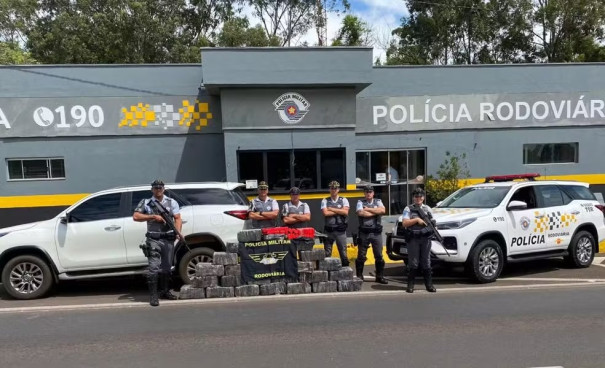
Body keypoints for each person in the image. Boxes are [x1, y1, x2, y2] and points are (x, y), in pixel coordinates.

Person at [133, 179, 182, 306]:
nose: (158, 190)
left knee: (166, 267)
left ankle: (165, 291)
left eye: (160, 188)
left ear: (164, 189)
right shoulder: (146, 203)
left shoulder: (172, 202)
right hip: (153, 239)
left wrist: (178, 232)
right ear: (152, 190)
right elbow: (136, 216)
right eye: (156, 188)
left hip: (168, 238)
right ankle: (154, 296)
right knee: (153, 267)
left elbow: (177, 218)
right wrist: (153, 217)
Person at [401, 187, 437, 293]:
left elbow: (433, 224)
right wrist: (416, 220)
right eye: (416, 196)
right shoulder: (408, 209)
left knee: (426, 262)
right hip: (413, 239)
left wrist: (426, 230)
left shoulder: (428, 209)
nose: (418, 198)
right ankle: (410, 285)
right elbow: (405, 223)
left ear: (423, 198)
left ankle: (429, 285)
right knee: (413, 263)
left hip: (425, 239)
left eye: (420, 196)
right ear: (413, 198)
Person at [355, 185, 388, 284]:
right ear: (364, 193)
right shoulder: (360, 202)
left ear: (373, 193)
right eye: (367, 192)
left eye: (370, 192)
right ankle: (359, 276)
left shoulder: (378, 201)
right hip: (364, 233)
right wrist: (375, 212)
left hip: (376, 233)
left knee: (379, 255)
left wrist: (368, 209)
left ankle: (379, 276)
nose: (368, 193)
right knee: (361, 256)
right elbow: (361, 213)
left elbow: (383, 210)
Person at [321, 181, 350, 267]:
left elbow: (345, 212)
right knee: (327, 252)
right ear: (329, 189)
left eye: (335, 188)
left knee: (343, 252)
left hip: (340, 231)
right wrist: (339, 210)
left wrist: (331, 209)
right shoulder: (325, 200)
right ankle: (326, 272)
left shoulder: (343, 200)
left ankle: (346, 271)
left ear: (338, 189)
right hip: (329, 231)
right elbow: (325, 213)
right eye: (332, 188)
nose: (333, 190)